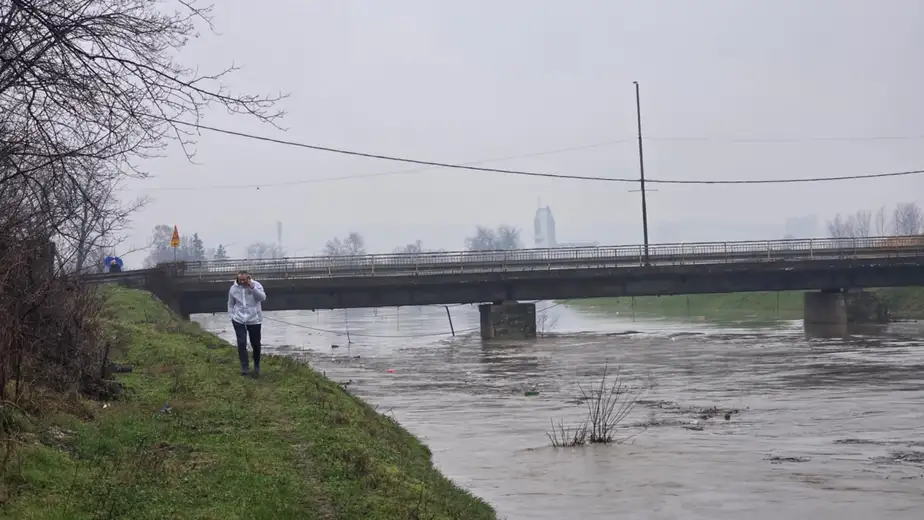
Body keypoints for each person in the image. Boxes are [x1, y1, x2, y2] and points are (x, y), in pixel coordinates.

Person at [228, 270, 266, 377]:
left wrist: (252, 288)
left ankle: (257, 365)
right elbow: (230, 303)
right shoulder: (233, 289)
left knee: (256, 344)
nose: (242, 281)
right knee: (241, 343)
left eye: (244, 279)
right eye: (241, 280)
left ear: (248, 278)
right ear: (238, 278)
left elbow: (262, 298)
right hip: (239, 319)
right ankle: (245, 368)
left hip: (254, 319)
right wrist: (231, 316)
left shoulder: (257, 285)